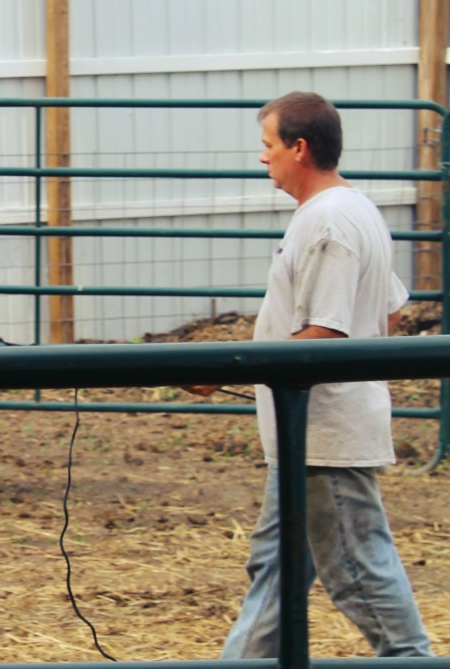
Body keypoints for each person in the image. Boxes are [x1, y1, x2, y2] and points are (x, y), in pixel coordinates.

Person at [185, 91, 433, 658]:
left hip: (323, 433)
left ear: (300, 147)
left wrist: (238, 367)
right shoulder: (355, 209)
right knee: (278, 569)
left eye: (268, 145)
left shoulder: (327, 224)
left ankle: (413, 660)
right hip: (312, 430)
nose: (262, 158)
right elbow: (387, 309)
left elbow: (327, 332)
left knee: (356, 568)